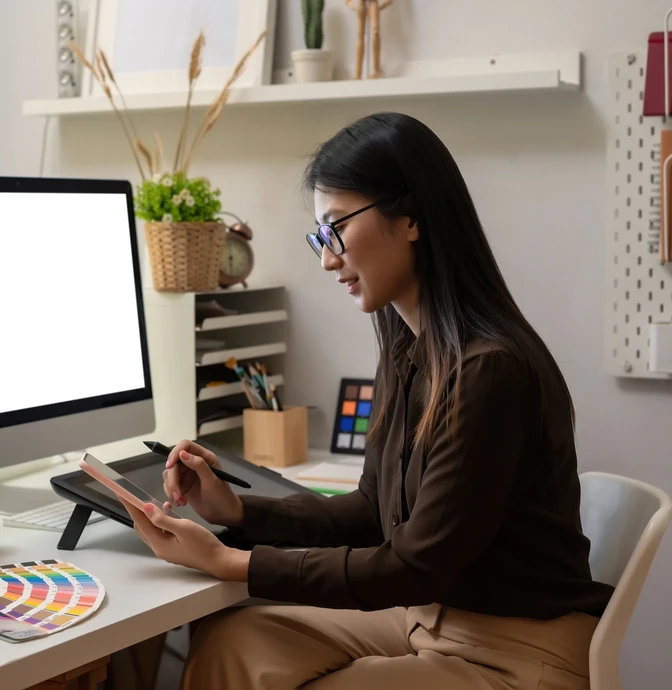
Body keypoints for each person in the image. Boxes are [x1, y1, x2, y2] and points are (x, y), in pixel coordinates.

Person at [116, 112, 614, 689]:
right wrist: (237, 513)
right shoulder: (411, 348)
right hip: (430, 619)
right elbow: (373, 514)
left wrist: (232, 562)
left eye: (337, 229)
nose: (328, 259)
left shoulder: (490, 372)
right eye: (320, 237)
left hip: (519, 651)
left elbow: (414, 565)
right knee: (236, 640)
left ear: (411, 217)